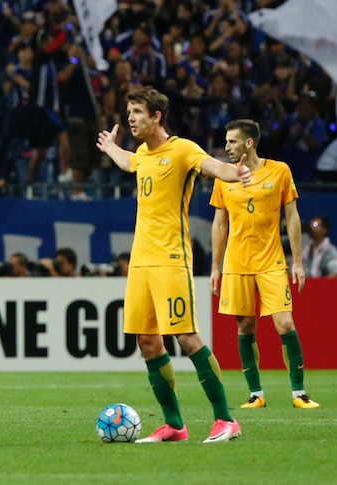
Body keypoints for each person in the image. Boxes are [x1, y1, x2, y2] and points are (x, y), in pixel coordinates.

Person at [96, 86, 248, 444]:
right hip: (140, 262)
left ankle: (226, 420)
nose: (131, 118)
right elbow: (126, 162)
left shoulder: (181, 150)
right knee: (147, 342)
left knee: (186, 337)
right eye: (129, 111)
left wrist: (232, 172)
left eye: (137, 112)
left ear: (156, 116)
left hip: (171, 259)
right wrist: (111, 147)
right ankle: (174, 426)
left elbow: (211, 166)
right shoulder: (142, 156)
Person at [209, 119, 320, 410]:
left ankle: (299, 394)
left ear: (248, 142)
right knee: (245, 326)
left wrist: (297, 261)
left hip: (271, 262)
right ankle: (256, 394)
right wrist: (215, 267)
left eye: (231, 141)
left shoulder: (280, 170)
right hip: (237, 263)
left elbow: (292, 216)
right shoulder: (224, 177)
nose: (226, 147)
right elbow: (220, 223)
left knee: (285, 323)